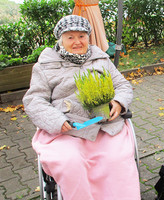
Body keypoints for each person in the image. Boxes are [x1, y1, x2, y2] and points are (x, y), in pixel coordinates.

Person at [23, 15, 140, 200]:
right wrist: (56, 120)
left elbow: (122, 86)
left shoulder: (100, 59)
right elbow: (34, 100)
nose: (77, 42)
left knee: (116, 161)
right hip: (67, 130)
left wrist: (118, 102)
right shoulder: (45, 66)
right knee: (71, 163)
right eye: (70, 37)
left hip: (104, 126)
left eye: (82, 36)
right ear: (60, 40)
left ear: (88, 37)